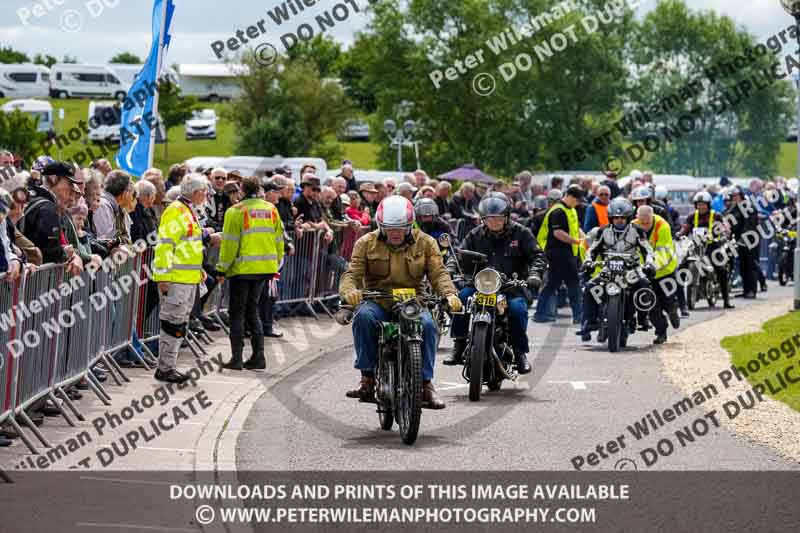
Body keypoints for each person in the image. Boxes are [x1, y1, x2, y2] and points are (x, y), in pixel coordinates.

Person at [339, 196, 462, 409]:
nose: (395, 232)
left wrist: (450, 294)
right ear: (381, 225)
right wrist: (349, 292)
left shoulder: (426, 242)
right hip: (377, 300)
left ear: (410, 225)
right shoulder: (365, 243)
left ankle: (425, 385)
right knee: (363, 317)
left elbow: (439, 273)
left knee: (429, 326)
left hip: (413, 301)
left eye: (402, 227)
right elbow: (352, 273)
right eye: (389, 228)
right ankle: (367, 378)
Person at [445, 193, 545, 372]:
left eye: (498, 218)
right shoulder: (475, 234)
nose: (494, 222)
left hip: (510, 287)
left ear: (506, 217)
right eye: (490, 219)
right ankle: (458, 345)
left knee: (517, 310)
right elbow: (459, 255)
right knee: (460, 301)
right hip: (479, 285)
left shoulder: (521, 233)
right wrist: (450, 268)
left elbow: (537, 255)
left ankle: (520, 352)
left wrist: (535, 274)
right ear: (483, 219)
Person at [216, 177, 285, 371]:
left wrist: (222, 268)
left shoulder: (236, 211)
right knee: (253, 311)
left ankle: (237, 358)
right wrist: (275, 264)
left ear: (242, 191)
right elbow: (279, 240)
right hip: (265, 269)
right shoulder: (271, 209)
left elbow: (229, 244)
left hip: (242, 270)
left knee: (237, 313)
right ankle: (258, 356)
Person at [578, 198, 663, 342]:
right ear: (611, 218)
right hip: (608, 269)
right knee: (590, 288)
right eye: (616, 218)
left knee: (645, 285)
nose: (619, 220)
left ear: (628, 218)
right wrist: (588, 261)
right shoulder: (603, 231)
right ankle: (590, 321)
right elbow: (592, 250)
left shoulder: (638, 231)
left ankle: (642, 318)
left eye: (622, 218)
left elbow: (648, 250)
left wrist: (649, 263)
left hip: (631, 270)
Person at [151, 174, 209, 383]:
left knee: (178, 323)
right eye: (204, 191)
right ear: (195, 192)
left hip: (186, 277)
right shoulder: (176, 211)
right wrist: (163, 276)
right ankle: (165, 368)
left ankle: (168, 366)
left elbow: (189, 245)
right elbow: (166, 245)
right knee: (172, 324)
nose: (206, 194)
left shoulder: (187, 210)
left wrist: (199, 268)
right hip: (176, 278)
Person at [533, 185, 585, 324]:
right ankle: (579, 316)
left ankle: (540, 314)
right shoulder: (558, 211)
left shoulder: (571, 210)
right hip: (559, 252)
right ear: (571, 196)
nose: (578, 203)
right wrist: (575, 241)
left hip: (566, 252)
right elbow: (558, 233)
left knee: (552, 284)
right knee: (573, 283)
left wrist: (585, 239)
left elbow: (576, 228)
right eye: (578, 200)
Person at [19, 161, 83, 271]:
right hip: (33, 282)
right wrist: (66, 252)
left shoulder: (34, 198)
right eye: (69, 183)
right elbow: (49, 252)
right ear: (53, 179)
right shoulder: (47, 208)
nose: (72, 191)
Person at [632, 205, 681, 341]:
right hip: (645, 272)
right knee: (652, 304)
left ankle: (673, 310)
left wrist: (651, 265)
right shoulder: (632, 227)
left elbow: (663, 252)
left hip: (665, 270)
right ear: (637, 218)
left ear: (652, 217)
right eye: (642, 223)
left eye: (647, 222)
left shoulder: (662, 226)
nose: (645, 226)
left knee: (668, 300)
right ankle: (661, 332)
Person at [679, 191, 734, 309]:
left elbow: (724, 226)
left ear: (708, 204)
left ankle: (726, 300)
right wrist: (680, 234)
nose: (701, 206)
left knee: (721, 269)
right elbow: (686, 228)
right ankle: (678, 300)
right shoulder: (692, 216)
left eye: (703, 204)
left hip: (712, 246)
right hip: (695, 247)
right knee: (681, 267)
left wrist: (724, 233)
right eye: (698, 204)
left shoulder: (716, 216)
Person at [728, 187, 760, 299]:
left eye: (736, 196)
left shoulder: (749, 206)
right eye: (733, 196)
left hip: (750, 241)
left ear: (741, 195)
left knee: (750, 266)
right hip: (739, 241)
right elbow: (729, 222)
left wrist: (743, 237)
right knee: (742, 266)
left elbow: (750, 224)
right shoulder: (734, 208)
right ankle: (746, 290)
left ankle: (752, 290)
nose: (735, 198)